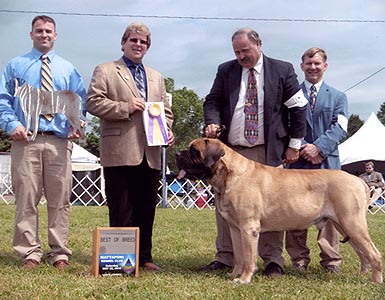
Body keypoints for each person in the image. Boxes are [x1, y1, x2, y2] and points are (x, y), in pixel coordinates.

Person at [202, 27, 307, 277]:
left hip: (266, 150)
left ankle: (272, 260)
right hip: (231, 152)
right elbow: (212, 101)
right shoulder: (225, 70)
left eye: (245, 51)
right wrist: (212, 121)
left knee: (271, 206)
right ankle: (226, 257)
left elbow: (298, 108)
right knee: (227, 206)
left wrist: (294, 144)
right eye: (237, 52)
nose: (241, 56)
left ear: (258, 45)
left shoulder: (283, 70)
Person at [86, 21, 174, 271]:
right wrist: (125, 108)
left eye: (143, 42)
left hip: (151, 151)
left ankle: (144, 257)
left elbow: (166, 112)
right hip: (119, 150)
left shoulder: (157, 76)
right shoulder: (105, 70)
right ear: (123, 43)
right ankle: (121, 259)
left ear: (148, 47)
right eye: (133, 40)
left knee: (147, 207)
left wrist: (168, 130)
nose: (138, 44)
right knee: (122, 206)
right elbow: (93, 103)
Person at [0, 15, 86, 269]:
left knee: (60, 199)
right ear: (31, 34)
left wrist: (77, 124)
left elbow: (78, 100)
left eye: (49, 31)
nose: (44, 34)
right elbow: (3, 99)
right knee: (26, 197)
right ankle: (29, 252)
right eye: (39, 31)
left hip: (60, 141)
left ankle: (59, 252)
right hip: (25, 141)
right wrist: (12, 124)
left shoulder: (68, 69)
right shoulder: (15, 66)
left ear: (55, 35)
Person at [285, 47, 348, 274]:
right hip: (297, 164)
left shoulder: (339, 97)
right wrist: (300, 147)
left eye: (317, 64)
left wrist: (318, 148)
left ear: (325, 66)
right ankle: (298, 260)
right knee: (294, 212)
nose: (313, 67)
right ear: (302, 66)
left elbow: (340, 128)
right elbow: (286, 125)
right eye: (308, 64)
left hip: (327, 164)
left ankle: (331, 261)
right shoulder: (291, 95)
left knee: (330, 215)